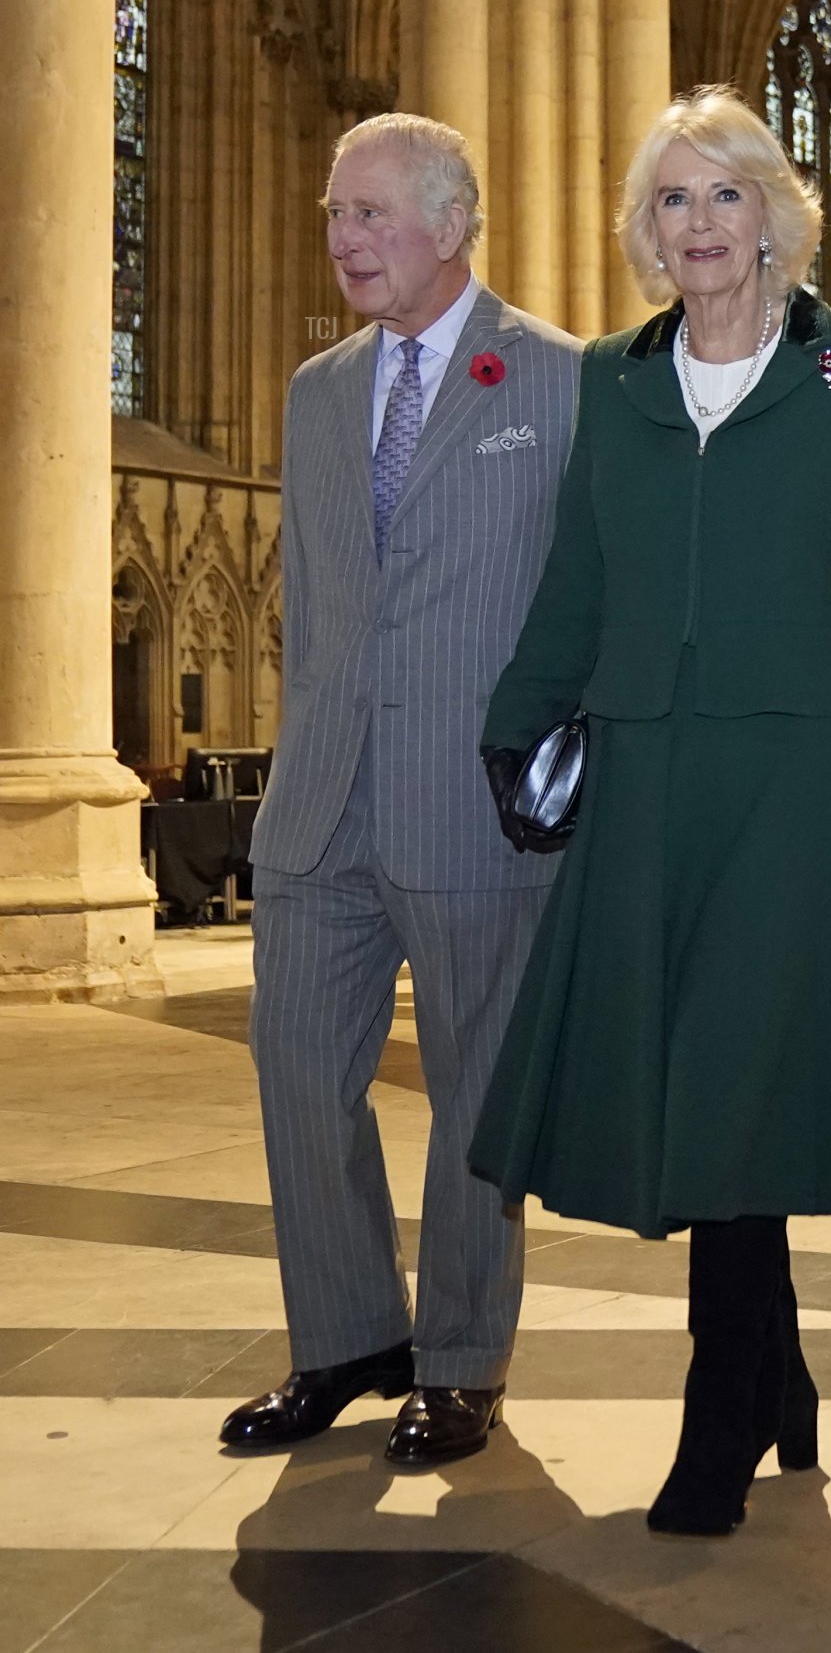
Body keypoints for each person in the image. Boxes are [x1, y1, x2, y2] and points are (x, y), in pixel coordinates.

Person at [471, 86, 831, 1535]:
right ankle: (782, 1373)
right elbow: (579, 577)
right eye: (671, 200)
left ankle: (720, 1418)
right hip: (649, 767)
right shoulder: (614, 378)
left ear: (775, 217)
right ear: (645, 228)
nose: (698, 225)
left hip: (797, 774)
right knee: (689, 1078)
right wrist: (514, 727)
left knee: (741, 1075)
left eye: (723, 195)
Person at [220, 114, 580, 1468]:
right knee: (300, 1073)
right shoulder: (316, 391)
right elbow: (312, 606)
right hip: (323, 801)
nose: (343, 238)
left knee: (477, 1090)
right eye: (334, 214)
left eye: (369, 213)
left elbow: (584, 594)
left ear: (450, 221)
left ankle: (464, 1358)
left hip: (473, 801)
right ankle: (346, 1337)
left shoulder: (555, 380)